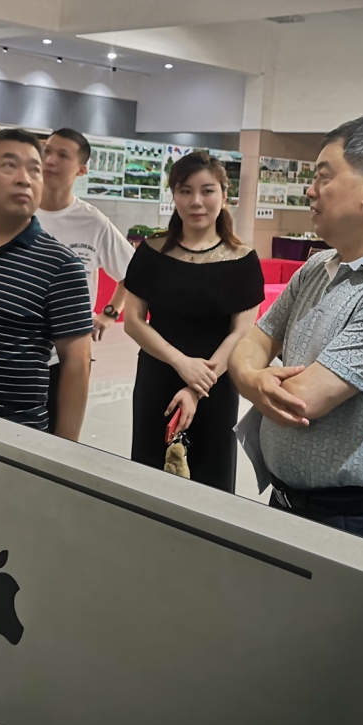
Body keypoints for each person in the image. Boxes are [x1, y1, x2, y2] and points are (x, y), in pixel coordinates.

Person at [230, 117, 363, 539]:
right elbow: (248, 344)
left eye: (324, 177)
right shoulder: (316, 268)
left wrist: (250, 377)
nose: (310, 190)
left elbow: (301, 400)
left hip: (350, 517)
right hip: (287, 500)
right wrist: (252, 377)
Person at [0, 128, 94, 440]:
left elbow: (76, 365)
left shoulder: (61, 265)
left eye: (35, 170)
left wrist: (65, 450)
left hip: (13, 438)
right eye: (9, 165)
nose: (25, 179)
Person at [125, 152, 263, 492]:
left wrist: (197, 386)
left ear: (224, 195)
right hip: (158, 375)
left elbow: (241, 333)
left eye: (207, 190)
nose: (196, 201)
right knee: (149, 474)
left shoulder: (242, 260)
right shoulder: (151, 252)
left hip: (216, 383)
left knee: (210, 480)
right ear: (174, 194)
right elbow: (133, 321)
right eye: (185, 191)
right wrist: (181, 363)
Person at [36, 128, 134, 430]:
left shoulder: (92, 222)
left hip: (68, 357)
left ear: (81, 169)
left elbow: (133, 272)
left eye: (62, 155)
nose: (50, 160)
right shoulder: (18, 210)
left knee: (60, 438)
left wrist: (110, 313)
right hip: (16, 351)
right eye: (47, 151)